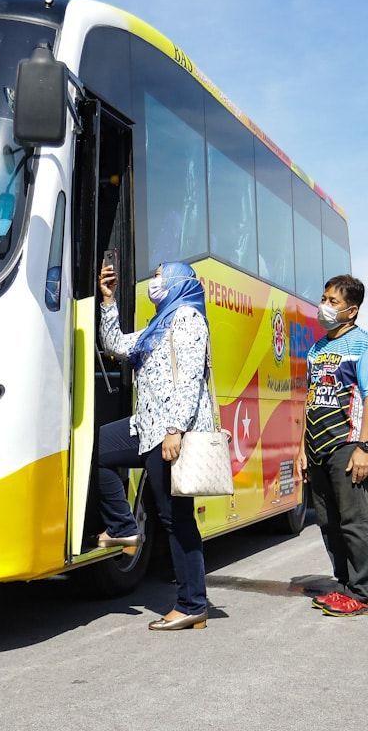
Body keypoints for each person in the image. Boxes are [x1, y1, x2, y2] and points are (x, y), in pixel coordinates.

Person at [97, 260, 214, 631]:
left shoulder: (188, 319)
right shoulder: (157, 326)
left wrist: (174, 430)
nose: (155, 280)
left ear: (180, 281)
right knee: (97, 450)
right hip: (144, 426)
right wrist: (108, 301)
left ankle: (192, 603)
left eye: (163, 274)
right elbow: (115, 345)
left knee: (175, 518)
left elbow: (191, 379)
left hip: (169, 432)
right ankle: (122, 527)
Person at [293, 274, 368, 617]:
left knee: (354, 521)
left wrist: (365, 446)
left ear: (352, 310)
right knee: (328, 521)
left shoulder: (364, 344)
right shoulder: (317, 349)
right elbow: (309, 400)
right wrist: (302, 447)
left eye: (333, 301)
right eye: (324, 298)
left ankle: (363, 594)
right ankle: (344, 585)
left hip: (347, 445)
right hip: (316, 447)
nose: (325, 306)